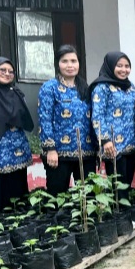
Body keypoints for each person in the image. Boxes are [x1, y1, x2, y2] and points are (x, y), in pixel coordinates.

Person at [38, 45, 96, 196]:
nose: (70, 65)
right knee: (58, 196)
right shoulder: (50, 88)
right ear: (57, 64)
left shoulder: (85, 87)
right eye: (65, 61)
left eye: (73, 61)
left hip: (86, 153)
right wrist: (50, 149)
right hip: (59, 154)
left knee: (88, 197)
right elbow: (45, 119)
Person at [0, 57, 34, 217]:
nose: (7, 74)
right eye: (2, 70)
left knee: (18, 199)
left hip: (18, 157)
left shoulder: (16, 93)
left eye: (11, 71)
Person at [90, 52, 135, 200]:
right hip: (113, 146)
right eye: (119, 66)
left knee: (127, 184)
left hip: (131, 144)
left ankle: (125, 212)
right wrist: (105, 140)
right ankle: (119, 213)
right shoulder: (102, 87)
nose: (124, 70)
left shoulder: (131, 87)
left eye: (127, 66)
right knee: (117, 186)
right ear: (110, 66)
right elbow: (97, 116)